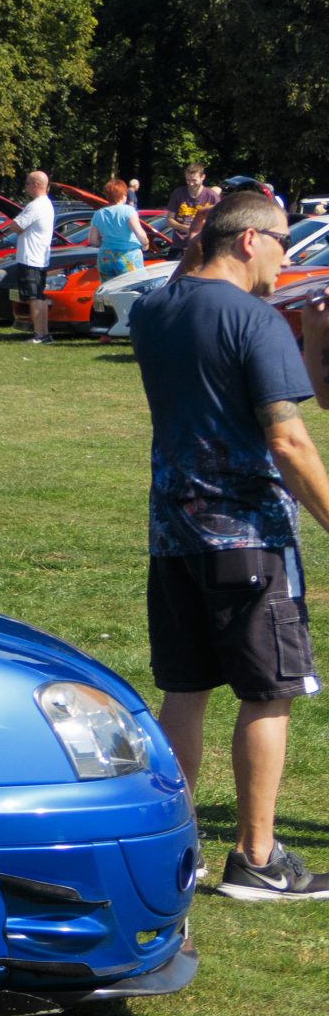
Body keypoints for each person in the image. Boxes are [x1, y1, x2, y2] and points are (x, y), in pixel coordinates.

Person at [135, 189, 329, 899]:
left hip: (173, 536)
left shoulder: (153, 310)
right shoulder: (253, 318)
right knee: (269, 693)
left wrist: (311, 334)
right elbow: (289, 440)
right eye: (282, 240)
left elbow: (189, 273)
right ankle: (256, 857)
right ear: (249, 241)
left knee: (184, 690)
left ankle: (176, 851)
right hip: (249, 537)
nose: (287, 257)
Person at [8, 169, 58, 344]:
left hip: (30, 257)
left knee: (33, 297)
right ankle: (44, 333)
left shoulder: (36, 205)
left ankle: (39, 334)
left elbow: (16, 226)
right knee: (39, 296)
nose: (26, 187)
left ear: (37, 185)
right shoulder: (47, 204)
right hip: (40, 257)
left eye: (28, 183)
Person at [90, 177, 152, 311]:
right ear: (124, 195)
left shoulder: (98, 214)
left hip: (105, 257)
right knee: (133, 292)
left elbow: (93, 241)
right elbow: (140, 233)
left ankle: (111, 318)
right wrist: (146, 245)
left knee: (108, 294)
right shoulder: (128, 211)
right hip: (128, 256)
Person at [169, 163, 219, 237]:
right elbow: (169, 220)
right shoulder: (178, 193)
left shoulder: (212, 196)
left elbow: (220, 222)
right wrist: (185, 228)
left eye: (194, 180)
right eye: (188, 180)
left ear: (203, 177)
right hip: (180, 242)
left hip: (202, 241)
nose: (191, 184)